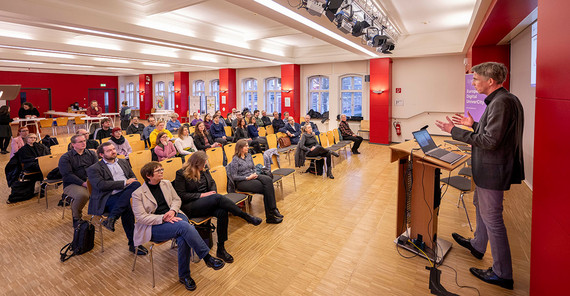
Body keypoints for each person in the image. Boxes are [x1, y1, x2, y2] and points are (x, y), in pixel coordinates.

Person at [435, 62, 524, 290]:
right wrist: (473, 125)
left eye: (475, 79)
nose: (473, 83)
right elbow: (492, 135)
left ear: (490, 81)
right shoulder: (503, 100)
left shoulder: (502, 102)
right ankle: (477, 244)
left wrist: (454, 131)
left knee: (493, 219)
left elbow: (490, 142)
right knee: (480, 206)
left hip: (492, 170)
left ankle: (502, 273)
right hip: (490, 169)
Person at [132, 161, 225, 291]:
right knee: (184, 228)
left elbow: (177, 200)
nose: (162, 172)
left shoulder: (166, 183)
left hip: (174, 215)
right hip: (154, 225)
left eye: (162, 169)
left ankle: (184, 276)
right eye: (158, 170)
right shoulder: (138, 194)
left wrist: (172, 211)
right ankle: (207, 258)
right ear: (148, 175)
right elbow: (142, 217)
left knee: (183, 236)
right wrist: (163, 218)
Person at [174, 151, 262, 263]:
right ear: (196, 163)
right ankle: (245, 216)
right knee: (217, 198)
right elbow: (182, 195)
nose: (205, 165)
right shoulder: (181, 174)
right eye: (203, 163)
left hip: (208, 201)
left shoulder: (204, 170)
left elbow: (212, 183)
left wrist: (212, 192)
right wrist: (203, 195)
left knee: (222, 211)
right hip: (191, 206)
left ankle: (221, 248)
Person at [86, 142, 146, 255]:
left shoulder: (123, 161)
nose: (113, 151)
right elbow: (100, 185)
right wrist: (123, 183)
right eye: (109, 150)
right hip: (108, 197)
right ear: (101, 154)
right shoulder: (94, 168)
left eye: (113, 149)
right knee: (126, 207)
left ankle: (112, 218)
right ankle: (134, 244)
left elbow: (133, 177)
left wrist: (128, 183)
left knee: (136, 184)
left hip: (126, 192)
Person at [228, 139, 283, 223]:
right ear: (240, 148)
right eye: (245, 146)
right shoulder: (235, 160)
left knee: (268, 180)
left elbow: (253, 167)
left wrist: (254, 174)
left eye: (247, 145)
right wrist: (247, 178)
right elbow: (234, 177)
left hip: (252, 175)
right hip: (242, 181)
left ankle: (272, 211)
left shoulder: (249, 155)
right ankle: (271, 213)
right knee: (266, 188)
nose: (248, 147)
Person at [59, 134, 98, 228]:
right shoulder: (66, 157)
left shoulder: (92, 154)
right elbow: (68, 175)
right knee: (83, 195)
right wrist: (83, 183)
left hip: (89, 181)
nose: (83, 143)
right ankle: (76, 218)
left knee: (108, 188)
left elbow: (97, 169)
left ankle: (103, 215)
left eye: (84, 141)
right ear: (73, 144)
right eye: (80, 142)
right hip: (72, 184)